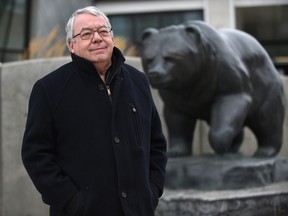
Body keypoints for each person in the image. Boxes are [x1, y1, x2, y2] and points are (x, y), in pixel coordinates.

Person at [21, 6, 167, 216]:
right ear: (71, 45)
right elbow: (36, 155)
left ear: (111, 37)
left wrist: (152, 191)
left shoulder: (139, 81)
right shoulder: (48, 89)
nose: (97, 38)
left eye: (103, 31)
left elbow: (157, 144)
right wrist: (72, 201)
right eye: (86, 34)